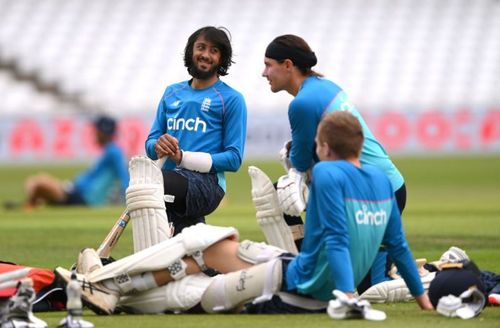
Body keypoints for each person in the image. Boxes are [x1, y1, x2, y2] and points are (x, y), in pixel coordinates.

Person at [54, 111, 433, 317]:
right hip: (303, 273)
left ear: (322, 146)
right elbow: (396, 245)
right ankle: (107, 283)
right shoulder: (383, 182)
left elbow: (334, 239)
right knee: (214, 246)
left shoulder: (329, 172)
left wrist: (348, 294)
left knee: (192, 275)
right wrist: (422, 299)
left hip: (301, 287)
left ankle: (106, 285)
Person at [261, 34, 406, 292]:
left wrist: (292, 154)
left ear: (287, 65)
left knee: (279, 195)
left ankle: (307, 270)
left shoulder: (302, 103)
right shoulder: (325, 86)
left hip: (367, 193)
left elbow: (301, 161)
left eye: (268, 64)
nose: (264, 73)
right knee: (361, 284)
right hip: (390, 187)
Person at [144, 26, 247, 235]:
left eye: (214, 50)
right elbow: (151, 144)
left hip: (207, 183)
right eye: (201, 47)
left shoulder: (231, 99)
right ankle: (206, 264)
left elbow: (234, 159)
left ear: (222, 58)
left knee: (153, 185)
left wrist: (183, 158)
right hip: (170, 179)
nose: (206, 55)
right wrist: (158, 145)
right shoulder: (172, 92)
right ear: (191, 51)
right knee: (185, 248)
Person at [5, 116, 129, 209]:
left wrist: (129, 197)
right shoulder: (110, 151)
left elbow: (123, 175)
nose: (94, 133)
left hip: (83, 197)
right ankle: (30, 205)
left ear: (104, 132)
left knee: (39, 183)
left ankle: (28, 206)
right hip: (76, 191)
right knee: (35, 183)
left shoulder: (114, 152)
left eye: (96, 130)